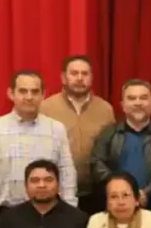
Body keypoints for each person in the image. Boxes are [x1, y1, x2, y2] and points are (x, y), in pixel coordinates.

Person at [0, 70, 78, 211]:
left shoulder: (57, 129)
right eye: (23, 91)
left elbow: (67, 172)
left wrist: (69, 209)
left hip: (47, 213)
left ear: (43, 95)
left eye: (35, 92)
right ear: (11, 93)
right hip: (3, 213)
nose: (29, 97)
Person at [90, 79, 151, 228]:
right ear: (122, 105)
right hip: (116, 210)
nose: (138, 103)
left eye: (143, 98)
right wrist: (122, 193)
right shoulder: (108, 133)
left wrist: (145, 193)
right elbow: (96, 164)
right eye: (132, 98)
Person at [40, 55, 116, 213]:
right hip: (58, 192)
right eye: (74, 73)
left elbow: (112, 150)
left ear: (91, 78)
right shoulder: (46, 108)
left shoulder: (105, 109)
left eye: (85, 74)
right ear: (63, 77)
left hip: (96, 192)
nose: (80, 78)